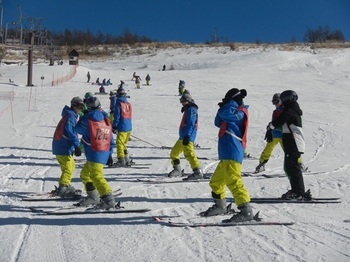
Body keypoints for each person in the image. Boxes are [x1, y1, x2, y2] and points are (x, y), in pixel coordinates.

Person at [201, 88, 254, 222]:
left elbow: (227, 115)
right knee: (216, 182)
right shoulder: (230, 111)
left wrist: (228, 105)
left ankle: (246, 212)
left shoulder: (240, 112)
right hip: (225, 154)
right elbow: (217, 122)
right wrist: (225, 107)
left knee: (234, 181)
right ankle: (221, 206)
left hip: (233, 151)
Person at [266, 90, 311, 200]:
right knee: (289, 167)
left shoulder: (290, 110)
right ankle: (297, 191)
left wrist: (270, 127)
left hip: (294, 143)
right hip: (292, 142)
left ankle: (298, 192)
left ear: (287, 99)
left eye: (282, 99)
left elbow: (280, 120)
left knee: (292, 168)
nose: (280, 102)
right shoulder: (291, 109)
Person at [75, 96, 116, 209]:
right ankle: (93, 196)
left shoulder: (88, 120)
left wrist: (84, 115)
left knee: (96, 176)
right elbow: (110, 138)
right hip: (103, 151)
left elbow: (77, 129)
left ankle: (108, 199)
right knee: (85, 174)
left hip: (94, 152)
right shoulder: (106, 120)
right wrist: (110, 153)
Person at [52, 97, 85, 198]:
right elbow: (71, 133)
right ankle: (63, 188)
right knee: (69, 167)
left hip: (61, 146)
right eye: (79, 106)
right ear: (73, 105)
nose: (80, 109)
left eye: (82, 107)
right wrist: (77, 146)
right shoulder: (70, 116)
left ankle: (65, 184)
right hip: (63, 147)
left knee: (69, 166)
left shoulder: (70, 115)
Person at [167, 93, 203, 180]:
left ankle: (197, 171)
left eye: (183, 102)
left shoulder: (192, 110)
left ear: (188, 101)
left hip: (188, 136)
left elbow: (191, 124)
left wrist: (187, 136)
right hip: (183, 136)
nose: (182, 103)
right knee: (174, 153)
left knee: (189, 153)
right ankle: (177, 170)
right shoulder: (188, 109)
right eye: (181, 102)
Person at [255, 93, 283, 173]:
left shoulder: (285, 111)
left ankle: (298, 164)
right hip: (274, 135)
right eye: (273, 102)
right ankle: (262, 164)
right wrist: (269, 129)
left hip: (283, 135)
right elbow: (274, 122)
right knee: (268, 149)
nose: (275, 104)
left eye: (276, 102)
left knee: (289, 151)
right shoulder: (275, 112)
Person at [112, 87, 133, 167]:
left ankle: (121, 159)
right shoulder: (128, 104)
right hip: (128, 126)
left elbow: (117, 116)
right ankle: (126, 158)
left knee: (119, 144)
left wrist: (114, 126)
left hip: (122, 126)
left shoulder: (119, 104)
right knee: (123, 143)